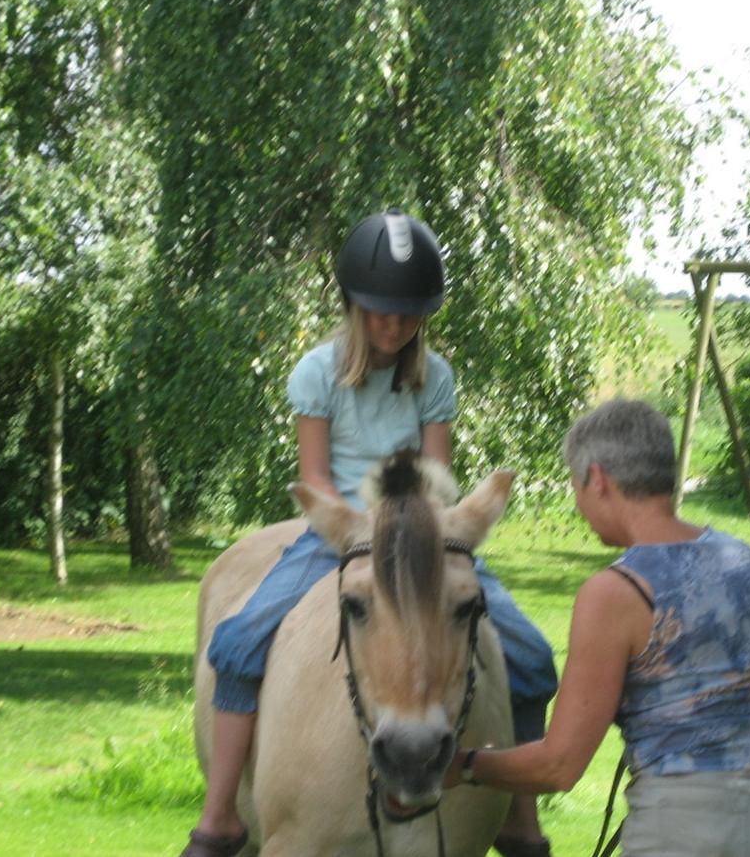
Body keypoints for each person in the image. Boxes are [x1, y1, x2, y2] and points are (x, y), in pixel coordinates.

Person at [180, 209, 557, 857]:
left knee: (527, 654)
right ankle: (220, 819)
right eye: (381, 309)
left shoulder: (434, 377)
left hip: (423, 535)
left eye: (408, 312)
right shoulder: (316, 373)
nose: (394, 323)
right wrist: (356, 531)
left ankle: (520, 820)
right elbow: (315, 477)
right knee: (240, 643)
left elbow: (434, 479)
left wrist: (429, 532)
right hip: (339, 534)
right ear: (353, 304)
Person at [446, 399, 750, 857]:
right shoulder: (746, 562)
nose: (580, 505)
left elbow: (559, 766)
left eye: (575, 485)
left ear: (598, 479)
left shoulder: (616, 592)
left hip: (684, 830)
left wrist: (461, 765)